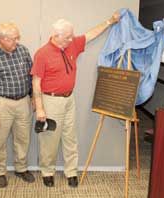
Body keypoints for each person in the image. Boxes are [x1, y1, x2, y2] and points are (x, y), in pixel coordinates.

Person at [31, 12, 120, 188]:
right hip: (51, 101)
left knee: (70, 137)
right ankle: (47, 172)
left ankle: (71, 171)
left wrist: (110, 21)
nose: (71, 40)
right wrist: (40, 108)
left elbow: (91, 34)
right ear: (56, 36)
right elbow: (36, 82)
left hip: (69, 99)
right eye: (67, 37)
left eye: (72, 36)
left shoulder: (71, 45)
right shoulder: (42, 54)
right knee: (50, 139)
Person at [0, 23, 34, 188]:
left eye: (18, 37)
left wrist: (32, 96)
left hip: (23, 101)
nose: (17, 41)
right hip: (2, 103)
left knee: (23, 138)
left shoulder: (23, 51)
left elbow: (30, 75)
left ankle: (21, 168)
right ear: (2, 39)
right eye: (13, 39)